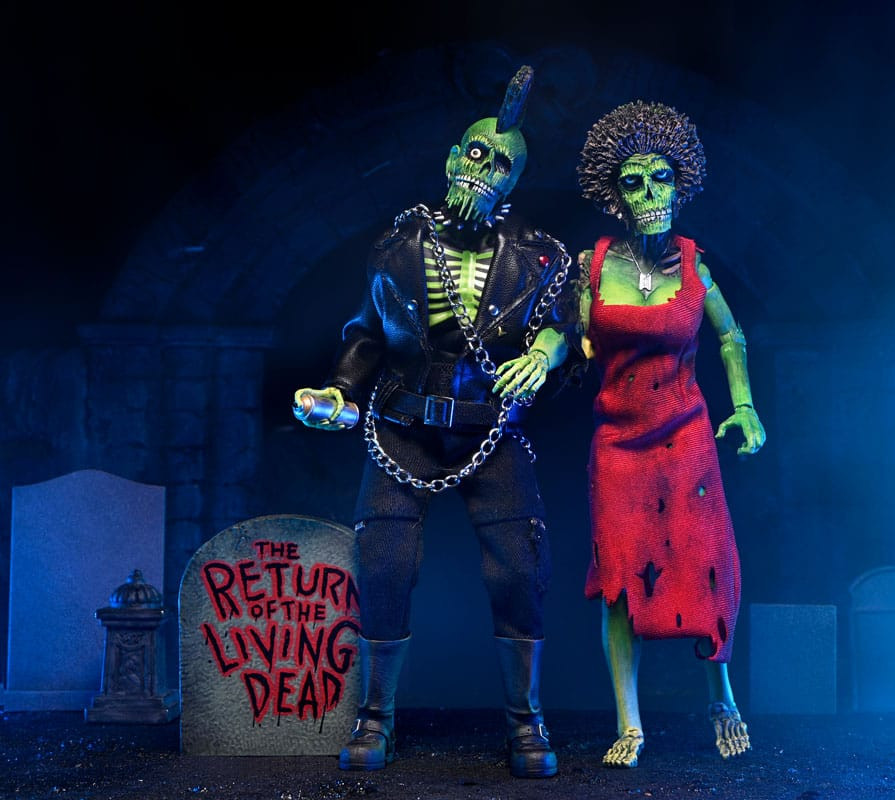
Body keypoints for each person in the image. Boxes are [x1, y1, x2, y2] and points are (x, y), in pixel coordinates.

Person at [293, 66, 574, 779]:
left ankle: (525, 720)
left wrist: (543, 352)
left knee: (521, 568)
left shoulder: (539, 258)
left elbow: (567, 324)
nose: (483, 169)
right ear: (452, 159)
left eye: (501, 163)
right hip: (403, 428)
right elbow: (365, 334)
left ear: (514, 183)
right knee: (384, 563)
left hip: (489, 430)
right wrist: (338, 392)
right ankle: (375, 715)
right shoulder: (397, 249)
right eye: (475, 153)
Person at [575, 100, 766, 767]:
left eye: (660, 178)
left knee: (703, 563)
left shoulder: (693, 268)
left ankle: (722, 697)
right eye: (633, 182)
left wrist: (745, 405)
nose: (649, 193)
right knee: (619, 575)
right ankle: (628, 725)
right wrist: (551, 351)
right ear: (615, 195)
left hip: (685, 436)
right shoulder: (594, 266)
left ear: (679, 184)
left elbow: (731, 336)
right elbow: (575, 337)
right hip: (618, 440)